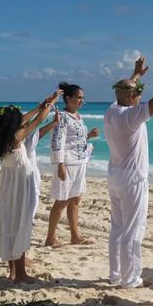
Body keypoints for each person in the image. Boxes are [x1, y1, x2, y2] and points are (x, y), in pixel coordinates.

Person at [104, 54, 153, 289]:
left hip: (115, 176)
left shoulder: (111, 111)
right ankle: (130, 278)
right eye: (136, 91)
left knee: (118, 228)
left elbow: (125, 90)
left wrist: (136, 74)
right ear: (131, 97)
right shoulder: (131, 116)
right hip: (132, 180)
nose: (139, 93)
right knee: (133, 229)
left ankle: (116, 274)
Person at [0, 92, 58, 282]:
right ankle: (20, 274)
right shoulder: (15, 138)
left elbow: (26, 118)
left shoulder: (2, 137)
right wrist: (51, 105)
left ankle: (14, 272)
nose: (22, 120)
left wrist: (42, 104)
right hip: (21, 188)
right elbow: (37, 121)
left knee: (11, 225)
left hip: (9, 188)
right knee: (20, 225)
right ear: (12, 124)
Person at [44, 82, 99, 247]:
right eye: (78, 98)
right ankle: (50, 238)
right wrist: (59, 164)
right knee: (61, 201)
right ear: (68, 98)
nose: (81, 101)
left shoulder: (78, 117)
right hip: (67, 164)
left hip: (80, 162)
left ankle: (75, 236)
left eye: (83, 98)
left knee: (75, 200)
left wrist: (88, 136)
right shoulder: (61, 116)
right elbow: (57, 142)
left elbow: (74, 140)